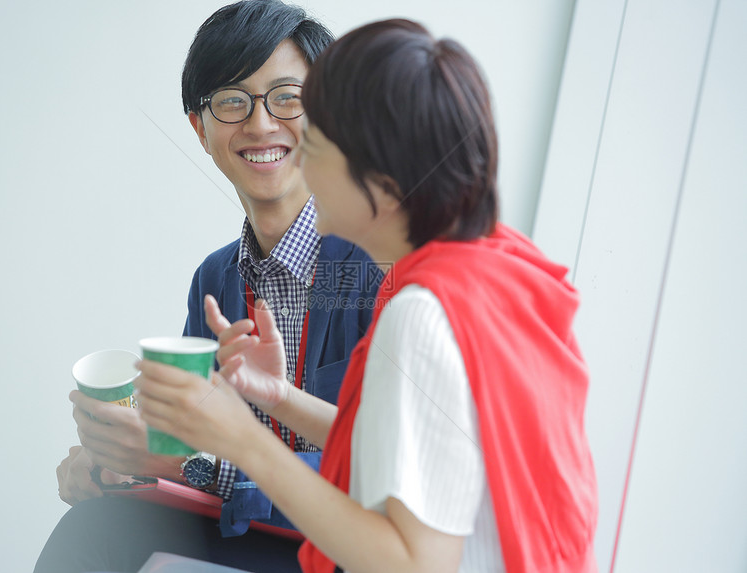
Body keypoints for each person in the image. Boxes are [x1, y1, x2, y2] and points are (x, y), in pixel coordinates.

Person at [136, 18, 599, 573]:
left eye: (317, 141)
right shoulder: (486, 269)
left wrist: (243, 444)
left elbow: (414, 564)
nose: (294, 154)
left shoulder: (421, 314)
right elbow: (392, 450)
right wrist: (278, 398)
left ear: (380, 171)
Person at [34, 2, 379, 572]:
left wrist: (188, 466)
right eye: (232, 101)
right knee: (96, 524)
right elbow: (190, 444)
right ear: (200, 128)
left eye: (288, 97)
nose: (261, 124)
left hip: (345, 550)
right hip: (246, 533)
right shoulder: (215, 279)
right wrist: (117, 466)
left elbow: (384, 476)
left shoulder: (376, 269)